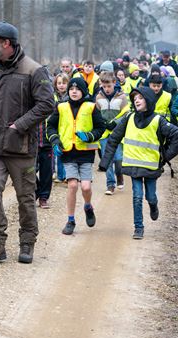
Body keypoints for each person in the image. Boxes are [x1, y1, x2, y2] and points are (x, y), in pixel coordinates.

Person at [0, 21, 55, 264]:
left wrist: (19, 125)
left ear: (6, 43)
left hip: (21, 147)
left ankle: (27, 242)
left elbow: (47, 104)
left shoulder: (34, 70)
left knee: (25, 197)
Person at [99, 87, 178, 239]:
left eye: (140, 97)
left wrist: (165, 157)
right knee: (137, 196)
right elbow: (113, 139)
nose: (136, 100)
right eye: (135, 98)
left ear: (149, 100)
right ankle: (139, 227)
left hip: (151, 167)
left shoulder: (159, 121)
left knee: (150, 196)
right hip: (133, 167)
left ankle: (153, 205)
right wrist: (105, 163)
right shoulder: (129, 118)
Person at [47, 77, 106, 235]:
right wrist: (54, 140)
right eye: (71, 89)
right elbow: (51, 126)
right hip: (67, 152)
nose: (74, 91)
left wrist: (90, 135)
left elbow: (101, 127)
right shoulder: (60, 107)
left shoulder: (91, 107)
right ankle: (70, 220)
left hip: (86, 152)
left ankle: (88, 206)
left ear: (84, 91)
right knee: (72, 185)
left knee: (86, 187)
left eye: (78, 89)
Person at [95, 71, 129, 195]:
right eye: (104, 86)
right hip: (104, 133)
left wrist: (116, 123)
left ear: (114, 83)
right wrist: (103, 123)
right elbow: (97, 114)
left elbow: (126, 114)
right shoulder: (98, 98)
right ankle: (110, 184)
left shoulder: (122, 97)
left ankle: (119, 175)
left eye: (109, 86)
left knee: (119, 159)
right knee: (106, 158)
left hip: (118, 132)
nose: (107, 89)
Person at [52, 73, 70, 183]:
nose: (61, 85)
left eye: (64, 83)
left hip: (67, 126)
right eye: (59, 83)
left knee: (67, 150)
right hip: (56, 126)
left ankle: (68, 175)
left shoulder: (70, 96)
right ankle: (60, 175)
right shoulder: (53, 96)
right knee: (58, 150)